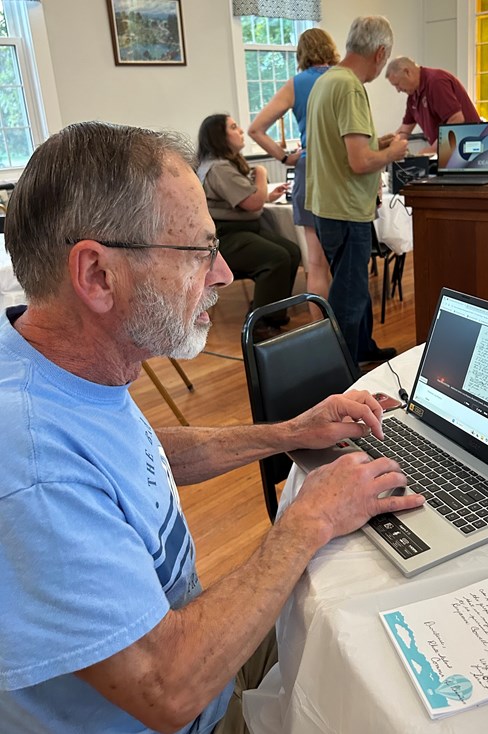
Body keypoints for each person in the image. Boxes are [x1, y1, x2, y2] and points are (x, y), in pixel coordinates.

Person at [0, 121, 424, 734]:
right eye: (199, 252)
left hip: (197, 654)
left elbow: (136, 456)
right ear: (96, 275)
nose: (222, 275)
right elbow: (168, 688)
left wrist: (290, 433)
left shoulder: (47, 364)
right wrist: (313, 517)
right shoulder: (32, 465)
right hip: (194, 695)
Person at [305, 16, 408, 367]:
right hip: (346, 209)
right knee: (348, 297)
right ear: (380, 52)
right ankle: (343, 373)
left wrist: (376, 143)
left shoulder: (326, 81)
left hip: (327, 206)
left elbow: (342, 148)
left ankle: (363, 349)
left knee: (356, 288)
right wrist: (390, 153)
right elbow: (360, 162)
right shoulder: (350, 87)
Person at [248, 28, 339, 321]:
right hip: (340, 172)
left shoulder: (296, 84)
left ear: (302, 54)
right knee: (345, 262)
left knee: (315, 263)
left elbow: (256, 129)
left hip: (310, 170)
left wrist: (284, 157)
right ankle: (345, 329)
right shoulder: (343, 80)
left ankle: (320, 330)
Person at [197, 114, 301, 337]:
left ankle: (269, 307)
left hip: (241, 230)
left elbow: (243, 200)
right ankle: (260, 323)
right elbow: (253, 203)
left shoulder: (222, 164)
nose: (241, 131)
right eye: (234, 127)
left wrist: (268, 196)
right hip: (225, 236)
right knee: (276, 258)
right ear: (219, 137)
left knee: (291, 251)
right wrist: (261, 174)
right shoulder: (219, 168)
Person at [386, 56, 481, 155]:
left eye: (397, 84)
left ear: (407, 72)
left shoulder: (436, 82)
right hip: (453, 152)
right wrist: (389, 149)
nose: (398, 90)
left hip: (471, 149)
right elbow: (404, 130)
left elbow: (456, 120)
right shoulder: (412, 96)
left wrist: (431, 150)